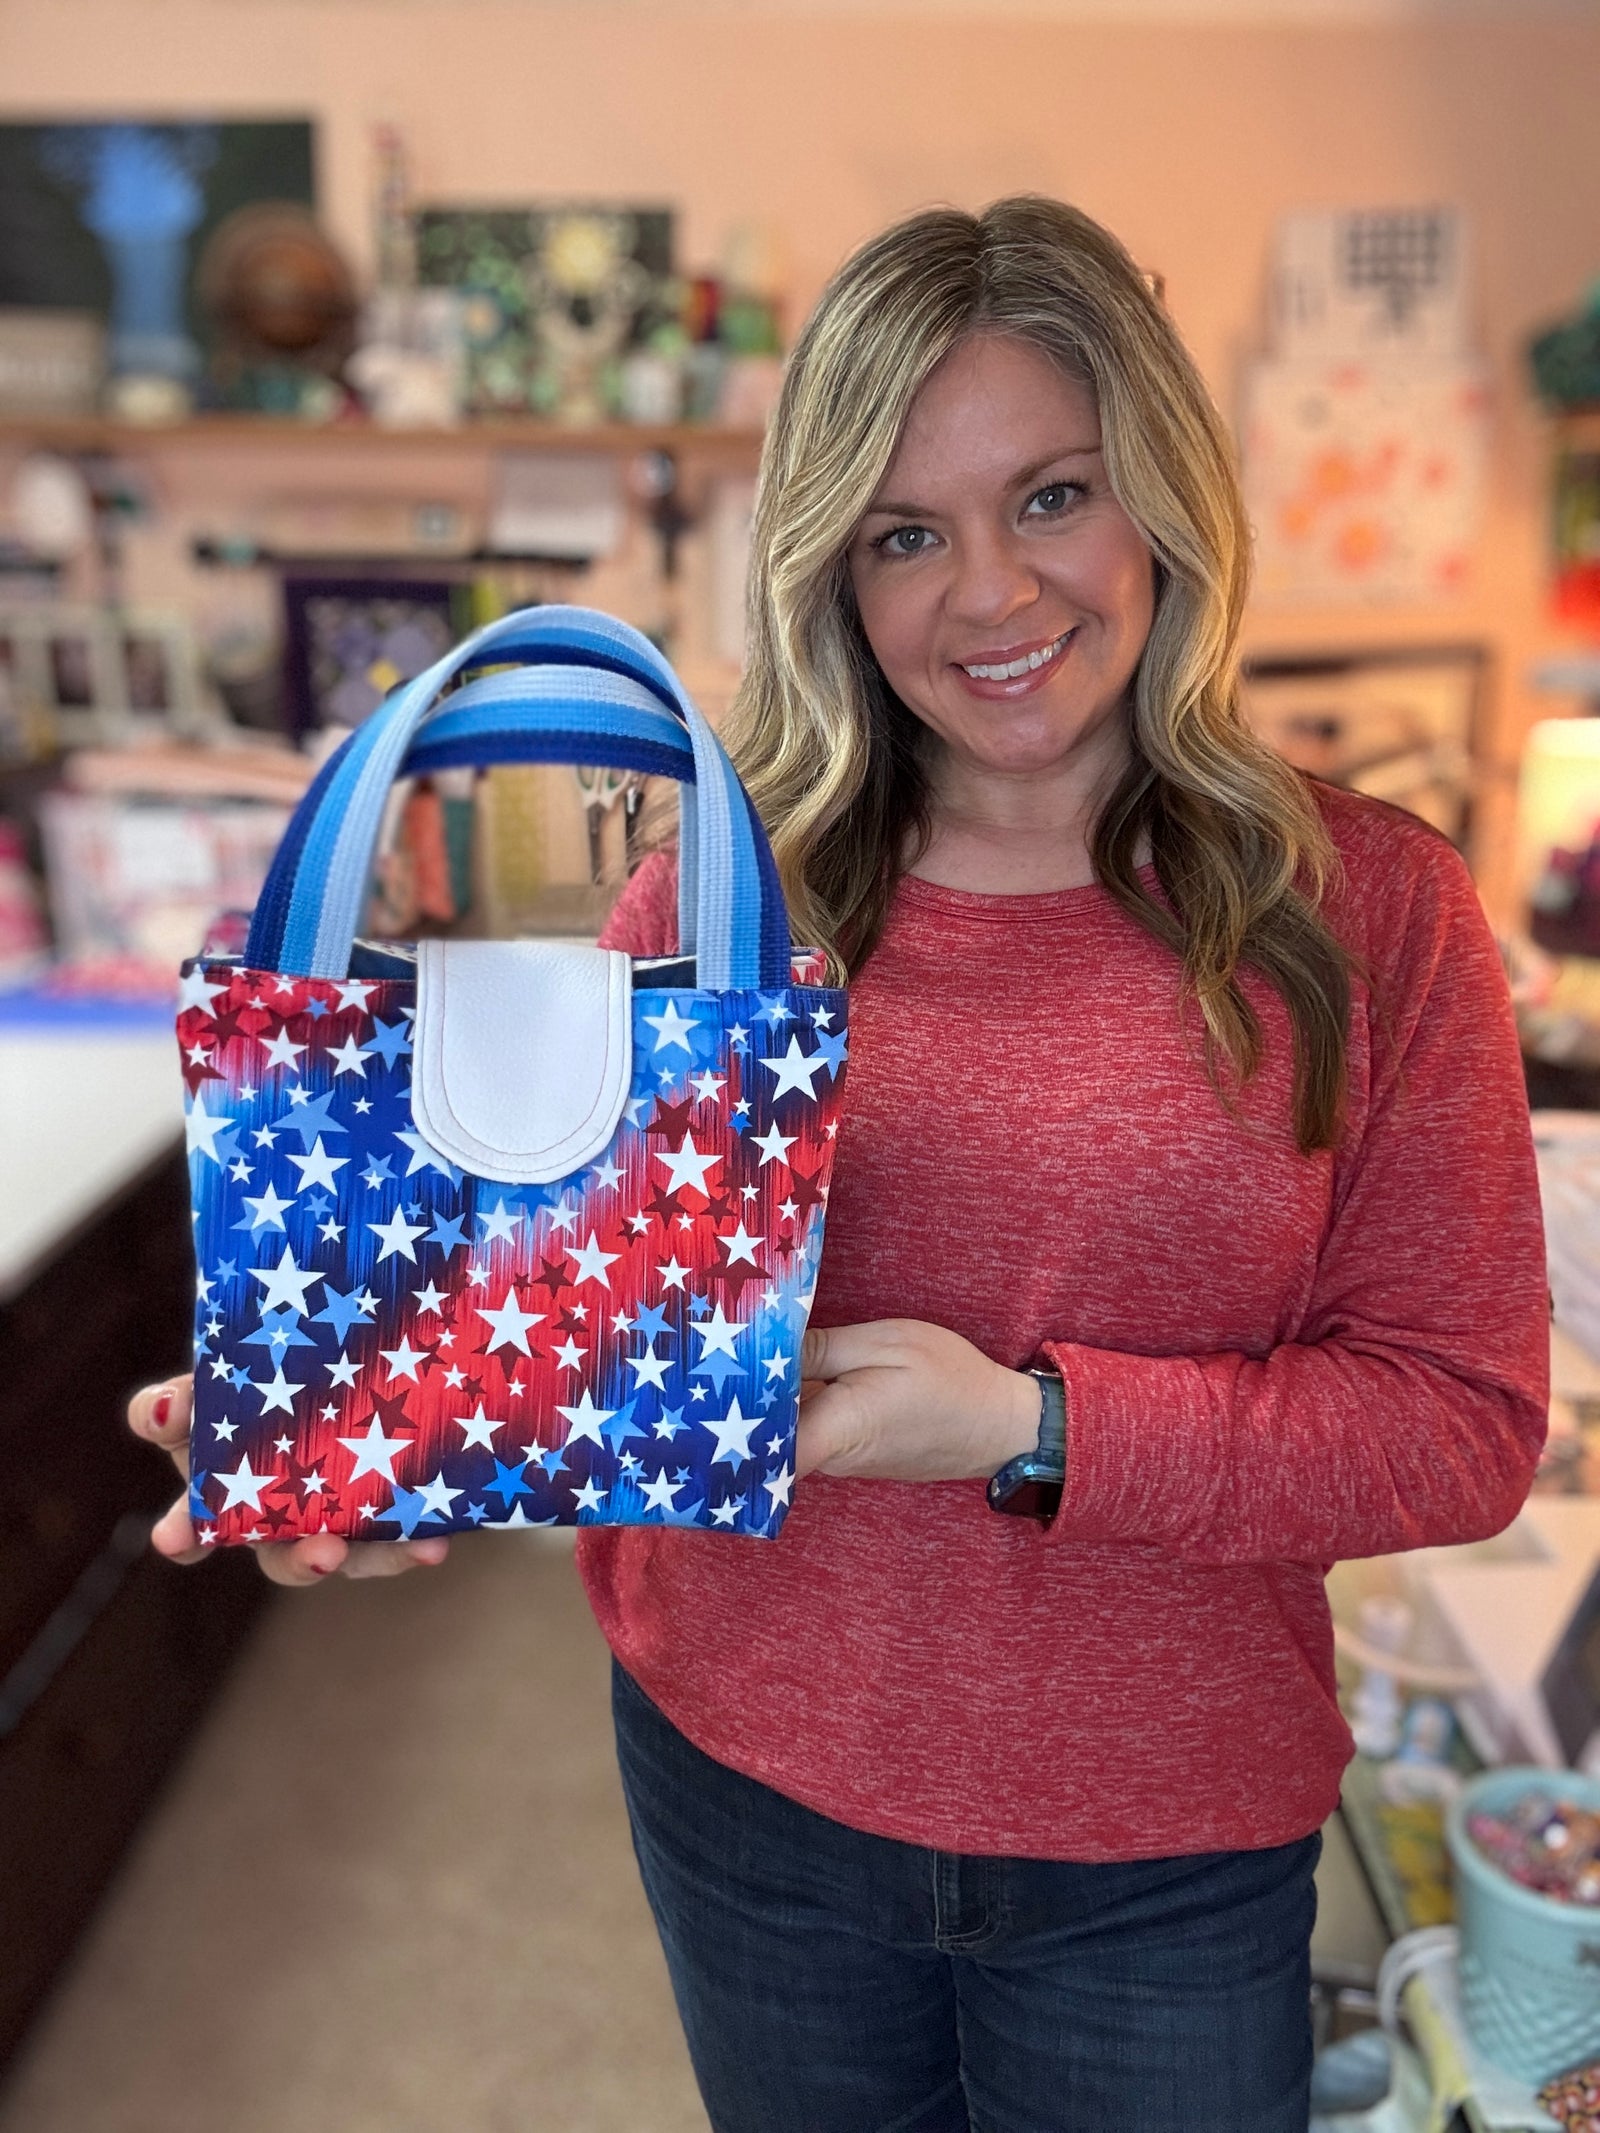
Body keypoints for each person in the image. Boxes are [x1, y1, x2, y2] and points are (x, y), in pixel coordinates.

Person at [128, 196, 1549, 2132]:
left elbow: (1455, 1423)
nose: (986, 591)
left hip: (1155, 1838)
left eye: (1049, 494)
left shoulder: (1366, 911)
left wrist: (1023, 1423)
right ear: (832, 570)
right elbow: (571, 1323)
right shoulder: (712, 904)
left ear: (1158, 496)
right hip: (743, 1788)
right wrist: (374, 1429)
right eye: (902, 531)